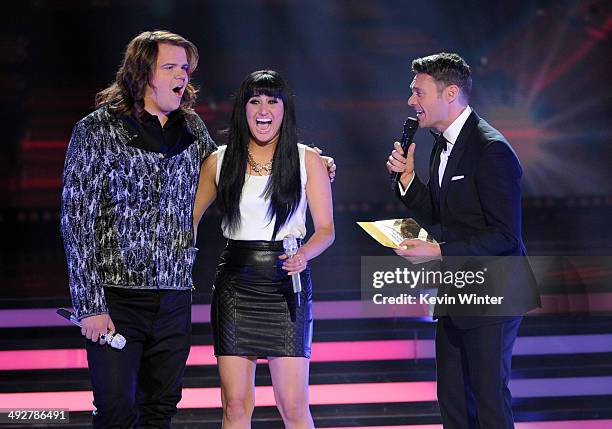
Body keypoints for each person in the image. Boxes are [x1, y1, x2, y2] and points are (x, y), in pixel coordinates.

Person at [60, 30, 218, 428]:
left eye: (185, 68)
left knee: (160, 410)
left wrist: (308, 161)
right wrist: (90, 305)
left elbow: (231, 172)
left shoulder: (193, 129)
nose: (182, 75)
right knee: (116, 410)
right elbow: (76, 221)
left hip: (174, 296)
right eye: (170, 67)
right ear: (141, 72)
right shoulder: (98, 129)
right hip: (116, 298)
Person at [386, 53, 540, 428]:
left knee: (487, 401)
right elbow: (445, 215)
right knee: (453, 401)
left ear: (450, 92)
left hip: (496, 292)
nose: (411, 102)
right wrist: (408, 181)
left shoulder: (491, 150)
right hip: (458, 288)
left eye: (418, 92)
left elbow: (505, 236)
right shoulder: (441, 143)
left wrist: (438, 250)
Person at [193, 70, 335, 428]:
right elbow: (187, 221)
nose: (264, 109)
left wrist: (304, 254)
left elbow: (327, 231)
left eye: (273, 100)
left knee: (293, 406)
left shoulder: (308, 160)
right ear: (243, 109)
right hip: (235, 285)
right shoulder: (219, 161)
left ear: (285, 109)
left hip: (287, 283)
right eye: (255, 100)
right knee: (236, 406)